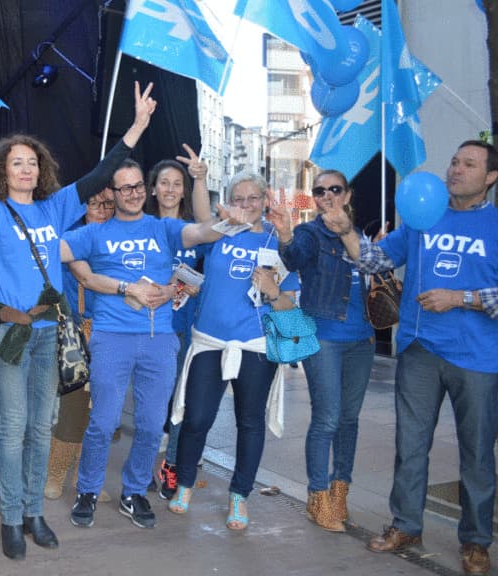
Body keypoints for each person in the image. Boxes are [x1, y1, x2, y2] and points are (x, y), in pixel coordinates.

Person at [0, 81, 157, 560]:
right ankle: (12, 518)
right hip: (5, 333)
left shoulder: (57, 207)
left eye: (32, 161)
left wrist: (135, 127)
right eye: (17, 162)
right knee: (12, 426)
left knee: (41, 426)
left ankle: (34, 513)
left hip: (48, 333)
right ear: (3, 170)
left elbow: (101, 175)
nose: (26, 168)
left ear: (41, 169)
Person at [332, 141, 498, 576]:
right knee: (410, 446)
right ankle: (407, 525)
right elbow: (374, 261)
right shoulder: (425, 215)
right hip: (420, 349)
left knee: (477, 454)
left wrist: (461, 298)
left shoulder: (495, 224)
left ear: (491, 177)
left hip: (477, 357)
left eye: (469, 164)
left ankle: (476, 541)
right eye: (455, 161)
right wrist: (346, 229)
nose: (456, 169)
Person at [59, 157, 227, 529]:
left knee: (152, 425)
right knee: (102, 422)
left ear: (144, 189)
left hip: (159, 339)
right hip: (111, 338)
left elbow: (205, 233)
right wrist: (86, 270)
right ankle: (87, 489)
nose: (133, 194)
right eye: (125, 188)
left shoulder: (163, 228)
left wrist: (203, 186)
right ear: (113, 193)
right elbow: (52, 248)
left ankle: (133, 492)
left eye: (138, 186)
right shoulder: (96, 233)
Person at [168, 172, 300, 531]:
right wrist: (199, 179)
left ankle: (240, 495)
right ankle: (184, 485)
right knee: (196, 419)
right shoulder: (218, 233)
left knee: (250, 422)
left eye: (253, 198)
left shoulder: (278, 240)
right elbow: (199, 217)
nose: (246, 205)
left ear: (264, 200)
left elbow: (290, 306)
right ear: (227, 202)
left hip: (256, 346)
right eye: (238, 199)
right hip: (210, 342)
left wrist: (272, 288)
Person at [266, 170, 374, 533]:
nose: (326, 195)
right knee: (327, 418)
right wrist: (284, 233)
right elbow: (294, 257)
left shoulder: (358, 235)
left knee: (349, 419)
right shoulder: (311, 234)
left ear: (347, 194)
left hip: (363, 340)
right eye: (319, 190)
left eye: (334, 189)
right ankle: (317, 496)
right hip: (324, 337)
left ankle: (340, 490)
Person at [142, 151, 209, 500]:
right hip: (146, 329)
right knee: (153, 405)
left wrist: (193, 285)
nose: (169, 189)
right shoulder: (140, 227)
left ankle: (169, 466)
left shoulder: (192, 233)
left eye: (177, 184)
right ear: (152, 189)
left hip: (183, 328)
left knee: (181, 403)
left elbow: (207, 269)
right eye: (164, 183)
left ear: (184, 191)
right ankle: (143, 465)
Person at [43, 187, 114, 502]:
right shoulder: (67, 240)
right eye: (94, 203)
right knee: (73, 407)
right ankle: (56, 474)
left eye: (108, 204)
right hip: (74, 331)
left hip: (113, 333)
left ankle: (88, 481)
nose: (101, 209)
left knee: (102, 413)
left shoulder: (119, 241)